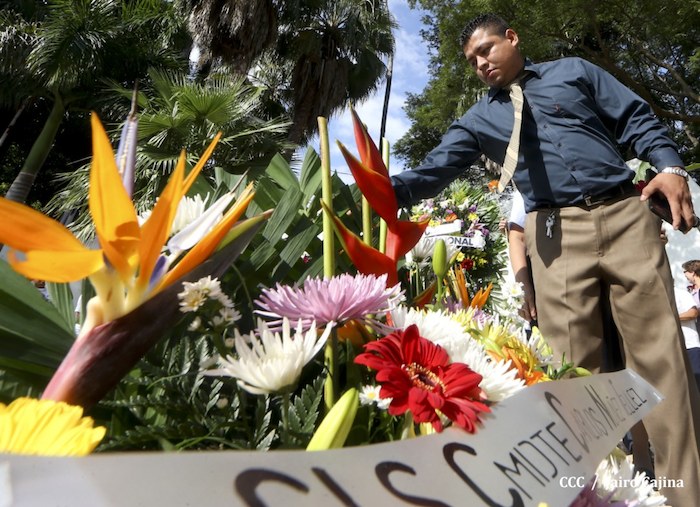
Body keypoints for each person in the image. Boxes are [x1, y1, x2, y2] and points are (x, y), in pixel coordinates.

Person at [391, 13, 700, 504]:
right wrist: (379, 189)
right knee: (571, 376)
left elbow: (635, 118)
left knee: (662, 362)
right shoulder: (478, 120)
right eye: (472, 61)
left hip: (625, 214)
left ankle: (684, 495)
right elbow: (434, 170)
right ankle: (591, 496)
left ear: (512, 38)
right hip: (554, 235)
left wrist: (670, 165)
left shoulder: (574, 70)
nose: (480, 64)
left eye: (486, 50)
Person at [674, 286, 700, 392]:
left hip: (690, 346)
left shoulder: (681, 293)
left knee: (697, 382)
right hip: (673, 349)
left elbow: (693, 313)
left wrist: (672, 318)